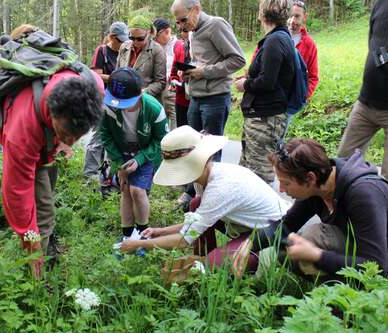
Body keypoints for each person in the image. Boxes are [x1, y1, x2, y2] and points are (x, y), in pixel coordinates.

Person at [0, 25, 105, 278]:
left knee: (46, 194)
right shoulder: (23, 132)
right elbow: (16, 195)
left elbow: (73, 125)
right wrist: (30, 239)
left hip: (44, 139)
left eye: (76, 138)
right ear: (53, 114)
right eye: (65, 135)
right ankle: (36, 275)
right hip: (24, 136)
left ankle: (45, 239)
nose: (70, 141)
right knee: (39, 206)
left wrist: (64, 142)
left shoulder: (92, 87)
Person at [120, 126, 289, 266]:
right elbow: (196, 221)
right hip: (246, 225)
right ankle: (203, 257)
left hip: (272, 234)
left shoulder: (221, 187)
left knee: (214, 263)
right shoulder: (203, 178)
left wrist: (139, 244)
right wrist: (160, 231)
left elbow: (185, 239)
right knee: (196, 204)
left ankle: (243, 262)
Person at [233, 139, 388, 281]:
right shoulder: (318, 187)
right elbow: (286, 225)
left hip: (379, 263)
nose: (281, 189)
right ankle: (333, 291)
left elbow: (376, 265)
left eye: (285, 183)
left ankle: (343, 303)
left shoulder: (363, 193)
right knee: (287, 250)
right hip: (361, 250)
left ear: (310, 178)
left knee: (316, 236)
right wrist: (251, 243)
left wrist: (317, 255)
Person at [171, 0, 246, 161]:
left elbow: (238, 60)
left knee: (210, 153)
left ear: (196, 9)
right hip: (195, 97)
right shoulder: (193, 32)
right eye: (177, 22)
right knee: (193, 148)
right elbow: (204, 61)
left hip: (215, 98)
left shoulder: (216, 25)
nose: (180, 26)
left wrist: (204, 72)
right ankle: (193, 186)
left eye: (183, 20)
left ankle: (210, 186)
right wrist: (189, 72)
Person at [100, 67, 168, 243]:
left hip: (146, 152)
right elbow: (106, 136)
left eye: (124, 102)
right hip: (121, 153)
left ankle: (143, 234)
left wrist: (140, 159)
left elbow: (161, 141)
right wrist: (117, 164)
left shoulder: (154, 109)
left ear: (139, 95)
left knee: (137, 190)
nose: (119, 106)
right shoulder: (108, 107)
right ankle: (127, 234)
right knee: (125, 189)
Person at [235, 0, 295, 184]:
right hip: (263, 117)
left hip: (265, 119)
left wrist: (245, 84)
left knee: (257, 178)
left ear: (263, 14)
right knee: (247, 172)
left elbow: (267, 81)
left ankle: (264, 213)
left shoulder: (275, 40)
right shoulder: (281, 38)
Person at [337, 0, 388, 179]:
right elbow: (374, 45)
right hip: (366, 103)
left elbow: (379, 53)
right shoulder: (381, 4)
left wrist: (381, 57)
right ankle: (344, 206)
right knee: (343, 164)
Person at [83, 22, 129, 180]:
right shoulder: (101, 51)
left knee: (115, 138)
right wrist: (117, 78)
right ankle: (90, 175)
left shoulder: (126, 51)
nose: (122, 44)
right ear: (111, 37)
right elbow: (96, 74)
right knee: (99, 136)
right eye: (120, 40)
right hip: (103, 98)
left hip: (120, 100)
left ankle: (109, 175)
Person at [116, 15, 166, 100]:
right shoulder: (124, 47)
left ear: (149, 33)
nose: (135, 42)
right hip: (124, 96)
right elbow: (118, 72)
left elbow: (160, 82)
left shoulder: (157, 50)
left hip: (146, 100)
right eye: (132, 38)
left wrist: (143, 93)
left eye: (140, 38)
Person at [153, 18, 183, 130]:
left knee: (175, 124)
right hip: (158, 90)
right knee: (160, 123)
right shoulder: (155, 47)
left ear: (167, 31)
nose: (155, 39)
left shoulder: (178, 45)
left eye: (157, 36)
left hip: (172, 90)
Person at [288, 1, 318, 99]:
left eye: (297, 16)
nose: (292, 20)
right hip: (269, 98)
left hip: (292, 102)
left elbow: (313, 77)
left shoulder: (309, 44)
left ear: (304, 17)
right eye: (290, 15)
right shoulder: (275, 36)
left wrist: (303, 96)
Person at [169, 28, 191, 128]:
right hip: (181, 99)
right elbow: (173, 71)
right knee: (182, 132)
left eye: (186, 30)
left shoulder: (203, 49)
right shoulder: (179, 48)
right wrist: (174, 81)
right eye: (184, 31)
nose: (185, 33)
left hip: (198, 99)